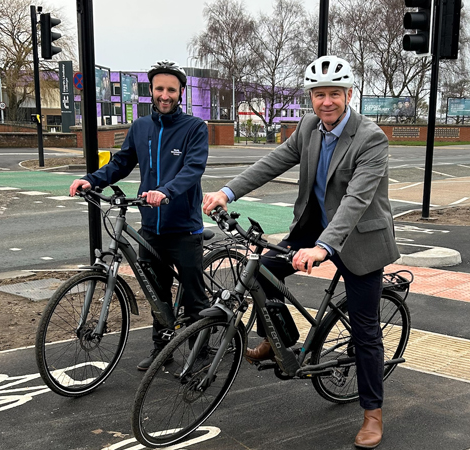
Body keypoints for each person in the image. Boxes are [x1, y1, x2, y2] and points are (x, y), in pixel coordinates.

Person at [202, 55, 399, 449]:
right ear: (311, 98)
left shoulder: (370, 138)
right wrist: (227, 191)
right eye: (319, 94)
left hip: (359, 239)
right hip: (312, 229)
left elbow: (357, 201)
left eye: (334, 94)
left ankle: (372, 414)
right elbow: (272, 162)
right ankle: (282, 342)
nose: (326, 102)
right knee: (261, 272)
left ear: (348, 94)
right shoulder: (309, 127)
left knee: (365, 331)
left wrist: (325, 247)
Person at [70, 60, 209, 371]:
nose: (164, 94)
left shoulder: (194, 128)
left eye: (171, 89)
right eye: (159, 88)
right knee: (156, 292)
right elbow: (121, 162)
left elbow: (193, 170)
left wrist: (167, 191)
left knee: (194, 298)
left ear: (180, 92)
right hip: (151, 226)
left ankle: (200, 354)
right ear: (151, 92)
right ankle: (163, 350)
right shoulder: (141, 127)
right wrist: (91, 180)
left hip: (184, 226)